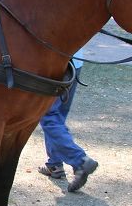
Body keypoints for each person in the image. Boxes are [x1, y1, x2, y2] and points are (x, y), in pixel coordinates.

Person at [37, 51, 98, 192]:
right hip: (75, 64)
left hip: (58, 65)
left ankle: (80, 160)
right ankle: (55, 164)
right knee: (58, 118)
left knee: (49, 116)